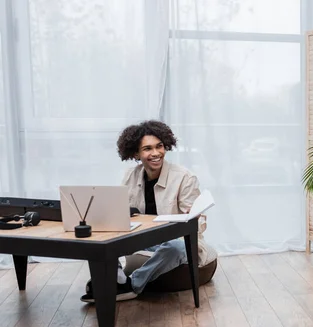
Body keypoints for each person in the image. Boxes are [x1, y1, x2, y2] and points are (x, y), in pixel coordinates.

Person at [81, 120, 216, 303]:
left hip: (178, 242)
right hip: (145, 239)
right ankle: (112, 279)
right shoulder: (130, 175)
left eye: (159, 146)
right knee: (104, 238)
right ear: (136, 153)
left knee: (175, 246)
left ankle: (131, 286)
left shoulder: (184, 177)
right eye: (147, 149)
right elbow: (122, 213)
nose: (155, 153)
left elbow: (198, 224)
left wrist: (194, 217)